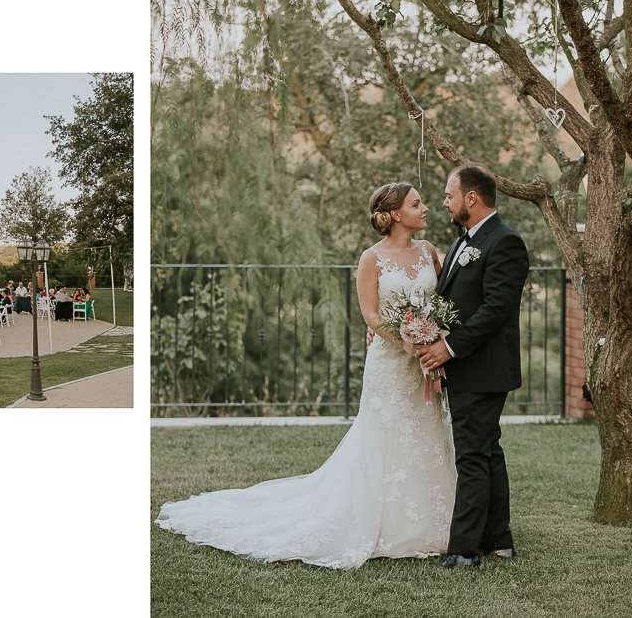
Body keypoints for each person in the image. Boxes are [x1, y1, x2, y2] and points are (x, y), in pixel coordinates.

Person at [156, 181, 458, 569]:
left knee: (428, 428)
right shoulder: (372, 259)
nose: (427, 208)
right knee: (383, 435)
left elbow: (443, 301)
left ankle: (437, 520)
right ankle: (383, 523)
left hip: (425, 362)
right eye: (418, 204)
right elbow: (369, 314)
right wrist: (404, 343)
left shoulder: (429, 252)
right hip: (390, 361)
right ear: (396, 214)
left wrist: (433, 335)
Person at [414, 164, 529, 569]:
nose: (444, 203)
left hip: (483, 369)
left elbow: (496, 309)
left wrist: (448, 348)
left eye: (449, 196)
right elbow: (456, 300)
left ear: (472, 198)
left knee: (471, 456)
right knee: (486, 450)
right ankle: (499, 538)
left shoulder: (505, 242)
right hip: (469, 368)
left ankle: (463, 550)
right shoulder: (465, 241)